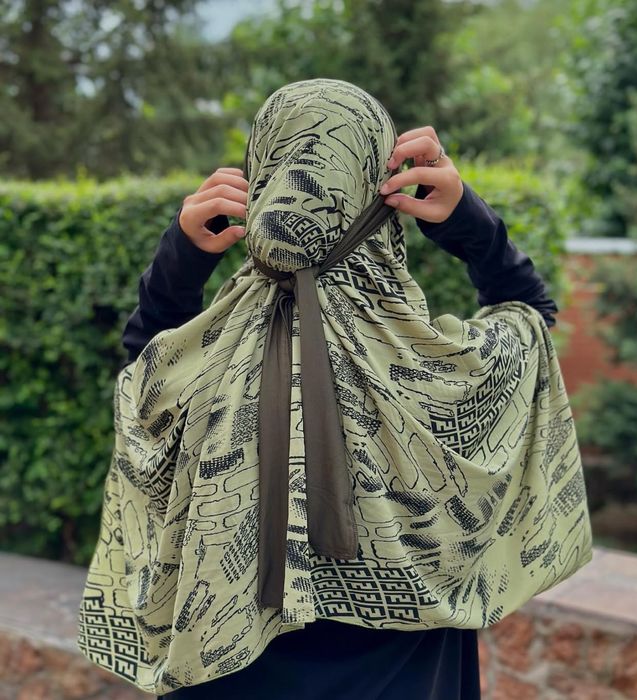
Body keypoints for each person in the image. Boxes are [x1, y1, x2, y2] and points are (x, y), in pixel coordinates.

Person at [78, 78, 592, 699]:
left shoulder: (207, 360)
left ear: (263, 177)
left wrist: (181, 257)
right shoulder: (438, 371)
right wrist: (467, 221)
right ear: (381, 186)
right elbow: (529, 314)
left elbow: (144, 373)